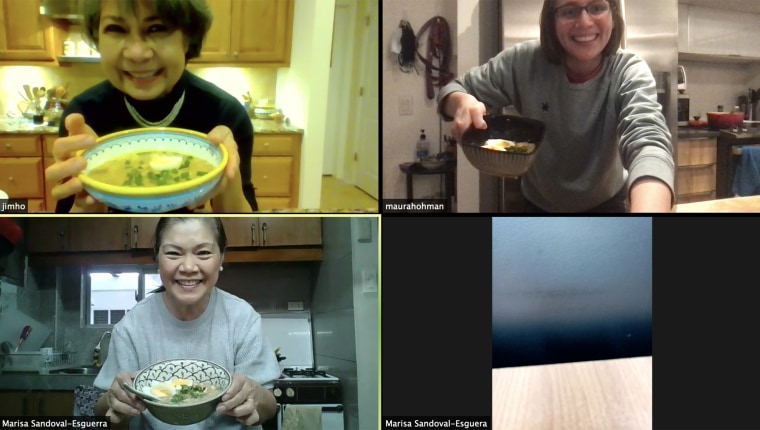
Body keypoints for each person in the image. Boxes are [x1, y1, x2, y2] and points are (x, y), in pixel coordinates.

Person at [439, 0, 675, 213]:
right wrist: (461, 102)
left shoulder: (628, 70)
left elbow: (648, 141)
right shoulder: (523, 61)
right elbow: (454, 89)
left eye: (596, 7)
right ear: (551, 19)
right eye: (569, 11)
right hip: (537, 206)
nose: (584, 21)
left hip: (608, 204)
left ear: (612, 13)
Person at [46, 0, 256, 213]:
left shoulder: (226, 114)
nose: (137, 53)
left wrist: (229, 174)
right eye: (116, 29)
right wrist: (90, 197)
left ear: (187, 38)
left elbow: (246, 237)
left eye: (157, 28)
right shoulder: (82, 118)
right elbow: (64, 237)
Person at [92, 217, 280, 429]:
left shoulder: (242, 318)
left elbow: (269, 406)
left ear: (221, 257)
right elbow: (104, 413)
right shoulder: (131, 326)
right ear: (157, 258)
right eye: (173, 253)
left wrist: (256, 397)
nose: (189, 267)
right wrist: (113, 401)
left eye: (203, 253)